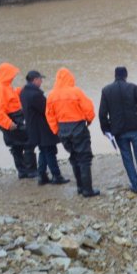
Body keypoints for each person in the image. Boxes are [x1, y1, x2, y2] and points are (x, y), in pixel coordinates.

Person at [45, 67, 99, 197]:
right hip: (78, 127)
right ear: (70, 78)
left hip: (62, 129)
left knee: (74, 157)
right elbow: (88, 108)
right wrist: (89, 120)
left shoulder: (51, 95)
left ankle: (80, 187)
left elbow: (49, 115)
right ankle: (87, 190)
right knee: (84, 158)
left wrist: (56, 130)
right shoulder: (76, 92)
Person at [99, 66, 137, 193]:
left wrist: (107, 130)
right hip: (135, 128)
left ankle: (135, 185)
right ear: (126, 75)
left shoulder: (106, 91)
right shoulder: (133, 87)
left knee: (127, 158)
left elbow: (102, 114)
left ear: (115, 75)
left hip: (119, 131)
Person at [19, 70, 70, 186]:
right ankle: (56, 176)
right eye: (40, 79)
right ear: (35, 80)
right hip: (43, 128)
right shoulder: (35, 94)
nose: (41, 81)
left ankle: (42, 176)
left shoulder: (23, 92)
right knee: (50, 151)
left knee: (43, 151)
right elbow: (46, 110)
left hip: (33, 127)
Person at [0, 62, 37, 179]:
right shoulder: (0, 88)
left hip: (15, 117)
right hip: (11, 119)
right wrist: (9, 123)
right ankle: (30, 170)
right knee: (28, 141)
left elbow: (12, 96)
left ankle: (23, 171)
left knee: (16, 146)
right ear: (6, 74)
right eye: (11, 75)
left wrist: (22, 90)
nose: (13, 77)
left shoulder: (5, 85)